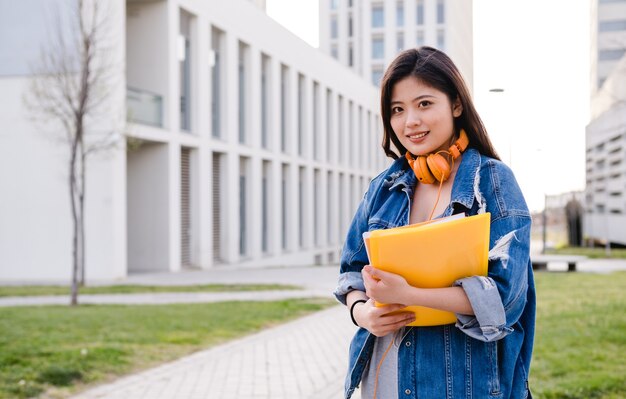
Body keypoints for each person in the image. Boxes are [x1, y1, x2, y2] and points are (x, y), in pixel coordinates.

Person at [334, 46, 535, 399]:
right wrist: (362, 312)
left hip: (460, 383)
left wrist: (409, 295)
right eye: (397, 109)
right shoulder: (383, 188)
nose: (410, 121)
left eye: (424, 103)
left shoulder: (493, 183)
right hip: (384, 380)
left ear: (456, 105)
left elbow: (506, 299)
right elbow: (351, 271)